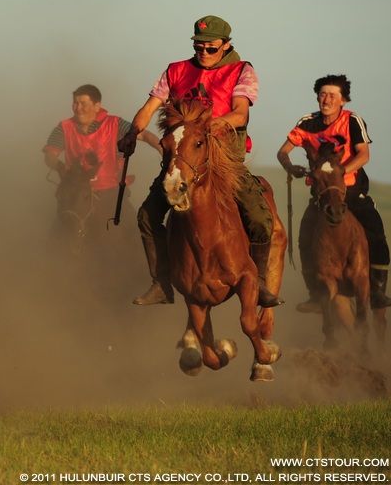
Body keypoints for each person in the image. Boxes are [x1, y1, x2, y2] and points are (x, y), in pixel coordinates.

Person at [118, 15, 281, 308]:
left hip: (222, 158)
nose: (204, 53)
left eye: (211, 48)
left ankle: (258, 283)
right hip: (182, 157)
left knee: (259, 217)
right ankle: (161, 282)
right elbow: (149, 108)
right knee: (147, 215)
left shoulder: (242, 70)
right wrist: (133, 132)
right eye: (199, 48)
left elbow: (240, 113)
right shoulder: (176, 70)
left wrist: (215, 125)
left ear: (226, 45)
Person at [277, 74, 391, 311]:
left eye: (332, 95)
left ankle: (377, 291)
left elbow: (364, 155)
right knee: (304, 238)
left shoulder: (353, 121)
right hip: (321, 194)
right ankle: (316, 294)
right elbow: (283, 151)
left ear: (343, 100)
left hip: (351, 190)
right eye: (322, 94)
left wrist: (339, 173)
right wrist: (290, 167)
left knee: (375, 231)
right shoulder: (307, 123)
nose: (326, 99)